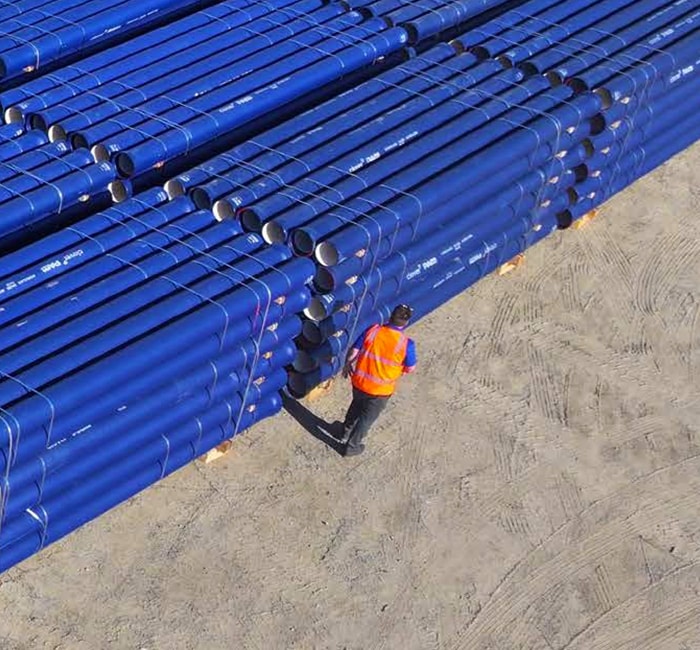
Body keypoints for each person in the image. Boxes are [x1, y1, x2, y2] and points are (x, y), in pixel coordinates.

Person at [340, 304, 417, 457]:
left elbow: (354, 350)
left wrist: (347, 364)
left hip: (360, 382)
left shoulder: (373, 330)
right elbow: (410, 368)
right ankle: (352, 446)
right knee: (366, 418)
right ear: (406, 322)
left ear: (390, 316)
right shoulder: (406, 344)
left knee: (356, 405)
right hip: (380, 391)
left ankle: (344, 431)